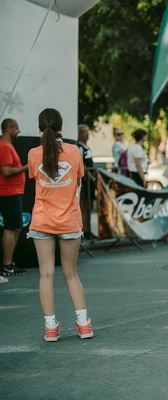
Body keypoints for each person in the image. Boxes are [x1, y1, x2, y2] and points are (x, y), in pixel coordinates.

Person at [27, 108, 93, 342]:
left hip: (42, 220)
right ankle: (84, 325)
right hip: (69, 221)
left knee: (46, 275)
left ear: (40, 128)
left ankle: (51, 329)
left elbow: (36, 178)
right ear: (61, 127)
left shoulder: (33, 154)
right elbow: (78, 180)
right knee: (71, 274)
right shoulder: (74, 151)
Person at [0, 118, 28, 281]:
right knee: (11, 228)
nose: (19, 131)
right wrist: (27, 167)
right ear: (9, 129)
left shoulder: (7, 146)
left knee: (15, 227)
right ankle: (7, 264)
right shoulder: (4, 147)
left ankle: (9, 263)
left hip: (12, 192)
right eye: (17, 128)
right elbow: (6, 171)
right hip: (8, 193)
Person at [76, 124, 95, 237]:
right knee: (84, 206)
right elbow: (82, 164)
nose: (87, 134)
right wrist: (91, 176)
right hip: (85, 180)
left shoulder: (87, 148)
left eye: (88, 131)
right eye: (84, 132)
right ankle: (82, 231)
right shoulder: (79, 147)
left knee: (90, 206)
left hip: (90, 182)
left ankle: (88, 230)